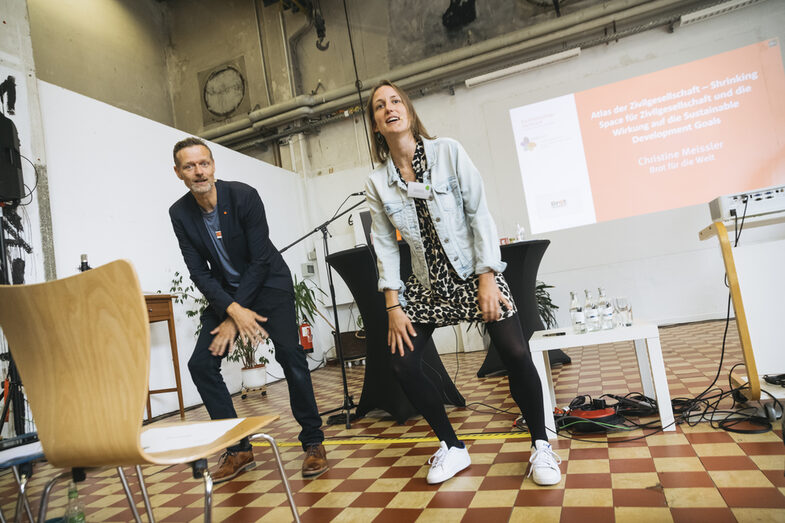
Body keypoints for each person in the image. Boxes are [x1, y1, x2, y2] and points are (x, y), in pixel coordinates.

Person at [364, 81, 562, 485]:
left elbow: (479, 214)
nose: (389, 109)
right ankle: (453, 447)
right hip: (426, 285)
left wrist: (487, 276)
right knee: (402, 362)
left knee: (514, 351)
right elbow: (384, 245)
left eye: (395, 101)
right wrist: (393, 306)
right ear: (376, 125)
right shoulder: (376, 183)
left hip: (474, 272)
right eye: (379, 107)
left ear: (409, 110)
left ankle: (541, 445)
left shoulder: (448, 152)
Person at [169, 137, 328, 482]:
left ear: (213, 165)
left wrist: (234, 312)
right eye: (189, 166)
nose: (198, 172)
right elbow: (198, 271)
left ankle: (313, 442)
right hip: (226, 295)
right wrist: (231, 311)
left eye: (203, 163)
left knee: (291, 356)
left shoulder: (244, 196)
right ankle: (239, 449)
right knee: (201, 364)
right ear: (179, 172)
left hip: (269, 285)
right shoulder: (179, 213)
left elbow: (258, 260)